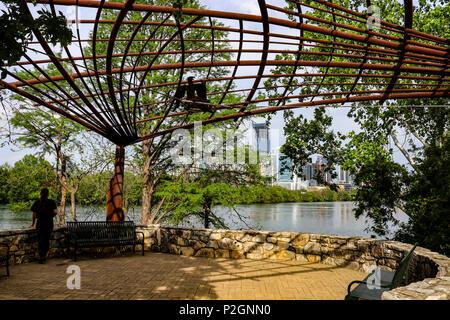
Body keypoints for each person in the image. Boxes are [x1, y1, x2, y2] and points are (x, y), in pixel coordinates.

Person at [29, 188, 58, 264]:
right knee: (46, 240)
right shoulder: (51, 202)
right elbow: (55, 212)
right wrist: (50, 216)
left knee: (40, 240)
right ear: (48, 194)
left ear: (40, 193)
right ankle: (44, 256)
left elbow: (34, 214)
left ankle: (41, 256)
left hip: (40, 223)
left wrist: (32, 223)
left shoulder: (37, 202)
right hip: (49, 223)